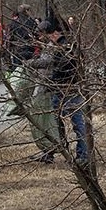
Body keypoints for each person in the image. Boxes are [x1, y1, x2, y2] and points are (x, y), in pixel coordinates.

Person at [26, 20, 89, 164]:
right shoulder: (67, 44)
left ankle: (83, 155)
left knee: (77, 122)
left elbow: (61, 68)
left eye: (45, 35)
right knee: (56, 121)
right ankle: (59, 150)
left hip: (67, 88)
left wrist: (50, 81)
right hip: (66, 88)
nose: (43, 38)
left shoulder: (64, 47)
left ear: (54, 33)